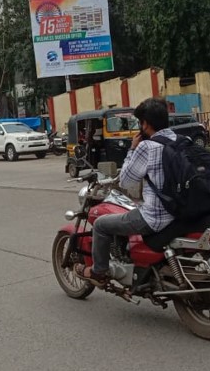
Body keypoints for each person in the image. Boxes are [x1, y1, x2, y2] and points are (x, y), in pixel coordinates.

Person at [75, 97, 177, 285]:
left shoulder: (147, 146)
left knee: (101, 225)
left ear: (145, 125)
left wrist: (132, 149)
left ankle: (99, 271)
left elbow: (127, 180)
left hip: (155, 217)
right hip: (179, 212)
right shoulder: (180, 140)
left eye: (140, 123)